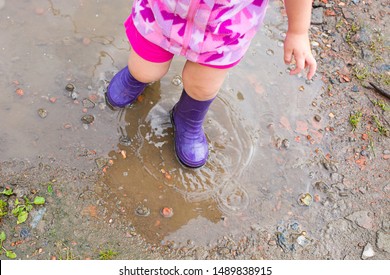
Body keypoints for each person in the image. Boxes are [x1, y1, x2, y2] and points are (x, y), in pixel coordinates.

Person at [106, 0, 317, 168]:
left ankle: (188, 117)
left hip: (225, 26)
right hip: (161, 12)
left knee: (202, 85)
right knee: (145, 69)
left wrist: (298, 31)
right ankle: (136, 77)